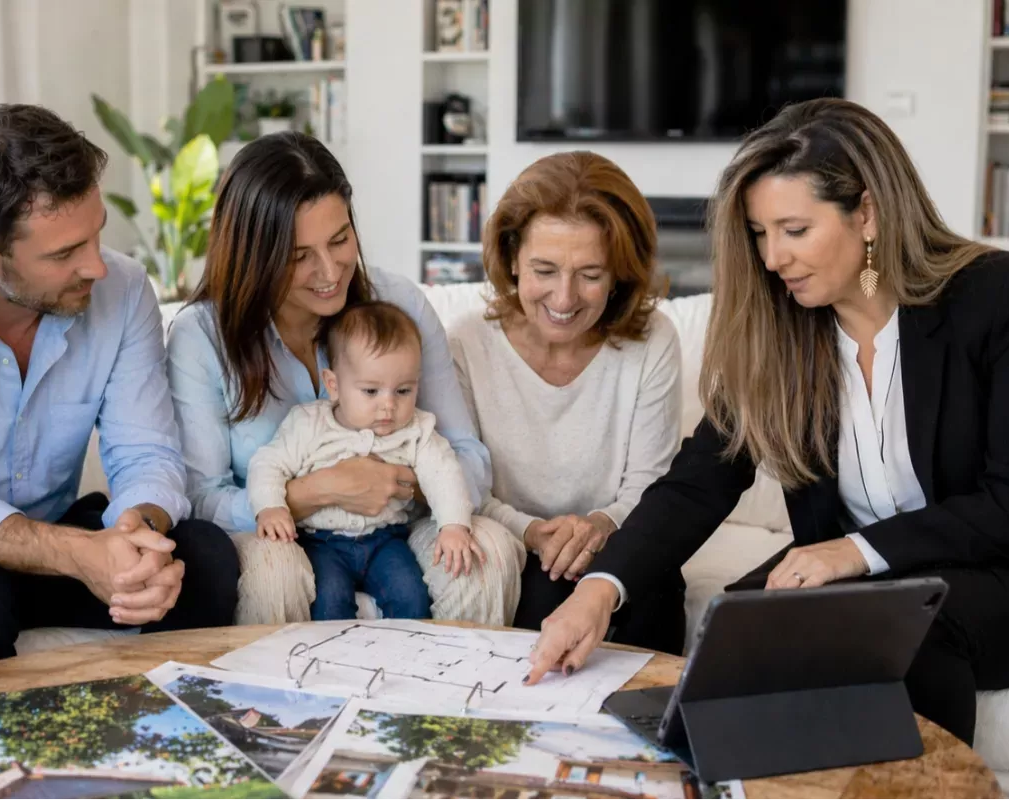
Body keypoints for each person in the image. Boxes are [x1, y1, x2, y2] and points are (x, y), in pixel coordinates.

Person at [525, 98, 1009, 745]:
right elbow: (698, 483)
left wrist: (853, 551)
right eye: (760, 233)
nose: (774, 257)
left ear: (865, 212)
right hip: (877, 575)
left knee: (899, 624)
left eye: (794, 229)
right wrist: (598, 591)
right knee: (736, 628)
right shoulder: (785, 326)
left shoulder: (1000, 297)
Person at [0, 104, 238, 670]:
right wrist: (82, 555)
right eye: (64, 254)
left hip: (58, 538)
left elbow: (147, 454)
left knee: (204, 556)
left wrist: (135, 534)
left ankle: (170, 742)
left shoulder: (123, 290)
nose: (97, 267)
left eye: (96, 235)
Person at [167, 131, 523, 626]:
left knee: (486, 555)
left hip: (398, 529)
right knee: (274, 573)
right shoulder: (202, 336)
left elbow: (469, 457)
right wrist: (319, 491)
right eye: (299, 256)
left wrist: (402, 485)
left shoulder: (398, 305)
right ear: (255, 255)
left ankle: (438, 701)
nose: (330, 270)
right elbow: (201, 497)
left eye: (340, 240)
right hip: (280, 537)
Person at [446, 152, 684, 652]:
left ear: (619, 272)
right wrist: (534, 533)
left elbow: (649, 483)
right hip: (516, 541)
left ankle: (651, 729)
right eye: (545, 270)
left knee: (658, 584)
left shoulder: (653, 339)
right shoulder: (467, 342)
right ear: (513, 258)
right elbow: (464, 483)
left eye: (590, 274)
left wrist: (598, 527)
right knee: (537, 598)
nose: (564, 297)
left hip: (619, 538)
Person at [249, 301, 485, 620]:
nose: (388, 406)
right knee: (329, 602)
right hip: (322, 543)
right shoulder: (308, 424)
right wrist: (270, 506)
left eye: (403, 390)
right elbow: (268, 464)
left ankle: (406, 663)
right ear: (334, 385)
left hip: (385, 540)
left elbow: (445, 474)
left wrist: (454, 525)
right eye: (371, 391)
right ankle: (336, 664)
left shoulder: (416, 430)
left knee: (412, 597)